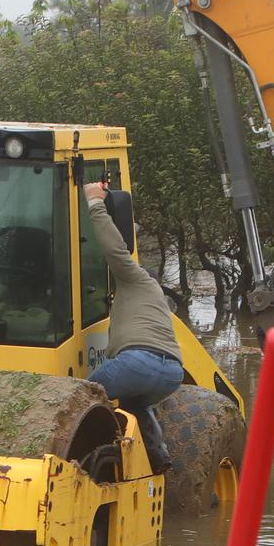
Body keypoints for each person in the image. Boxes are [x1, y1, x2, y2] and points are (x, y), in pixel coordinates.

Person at [83, 180, 181, 473]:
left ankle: (78, 464)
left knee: (82, 397)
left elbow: (115, 251)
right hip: (171, 374)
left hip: (139, 362)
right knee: (135, 404)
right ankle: (158, 456)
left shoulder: (135, 278)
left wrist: (95, 204)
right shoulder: (155, 297)